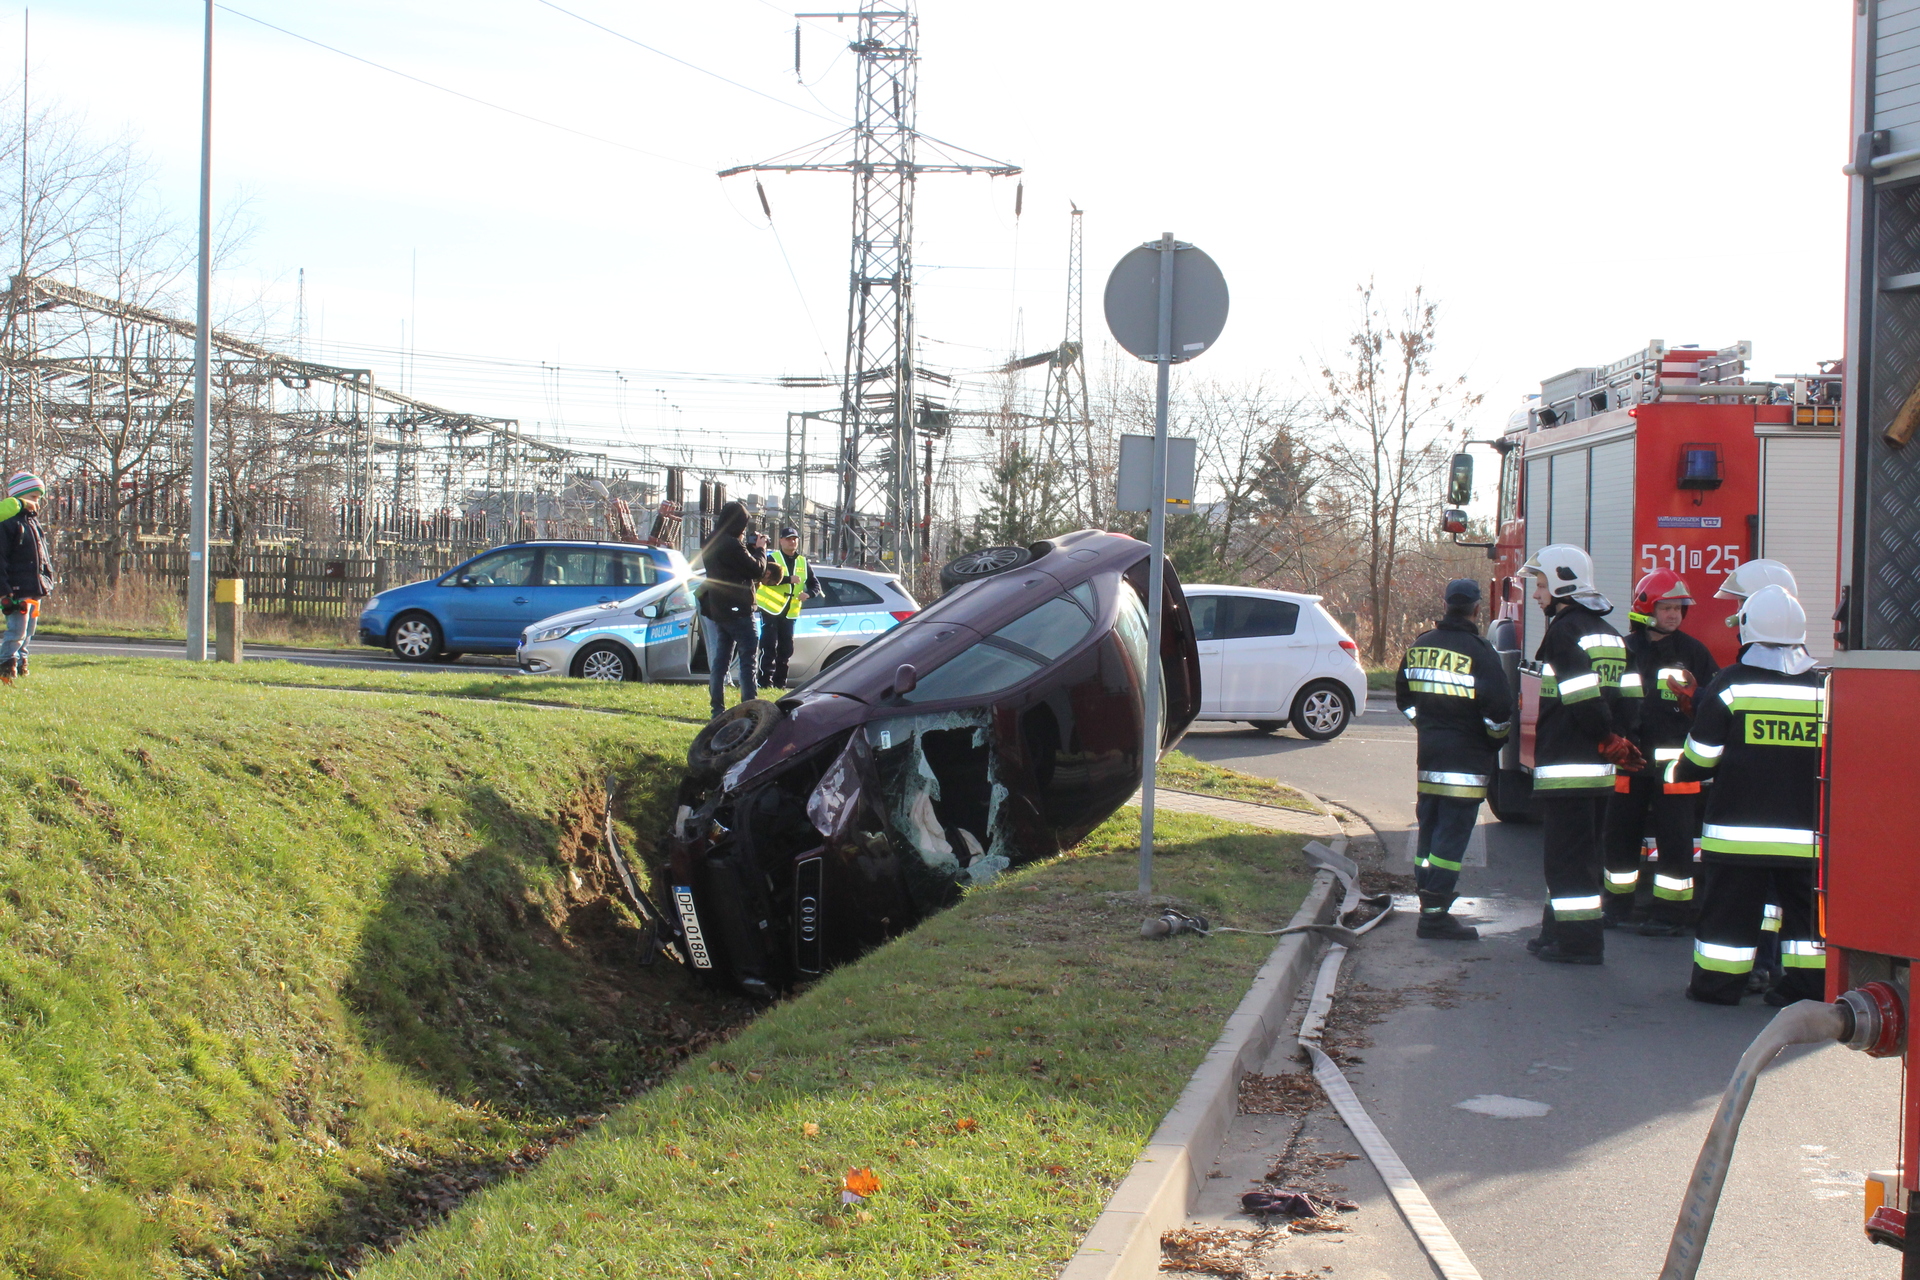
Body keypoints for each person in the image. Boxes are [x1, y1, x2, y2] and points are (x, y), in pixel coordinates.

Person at [1674, 584, 1826, 1006]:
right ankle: (1807, 989)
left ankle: (1717, 987)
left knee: (1729, 916)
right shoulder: (1821, 687)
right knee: (1807, 921)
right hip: (1806, 836)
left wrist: (1679, 771)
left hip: (1738, 836)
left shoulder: (1731, 684)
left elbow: (1701, 758)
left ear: (1748, 629)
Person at [1518, 544, 1643, 965]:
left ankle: (1580, 944)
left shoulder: (1564, 632)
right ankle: (1554, 934)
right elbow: (1631, 696)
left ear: (1561, 584)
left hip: (1567, 768)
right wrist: (1619, 740)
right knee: (1578, 859)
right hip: (1600, 771)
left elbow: (1581, 697)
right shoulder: (1610, 634)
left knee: (1567, 864)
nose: (1537, 595)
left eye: (1540, 585)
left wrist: (1604, 734)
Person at [1601, 570, 1719, 936]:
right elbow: (1606, 701)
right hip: (1629, 761)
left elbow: (1715, 707)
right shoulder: (1624, 650)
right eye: (1666, 608)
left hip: (1677, 768)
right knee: (1619, 837)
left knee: (1677, 840)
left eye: (1678, 609)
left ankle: (1670, 915)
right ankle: (1617, 907)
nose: (1673, 615)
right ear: (1645, 609)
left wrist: (1697, 707)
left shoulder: (1694, 653)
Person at [1394, 578, 1512, 941]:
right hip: (1466, 764)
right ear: (1477, 608)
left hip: (1430, 759)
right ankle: (1435, 916)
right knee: (1451, 838)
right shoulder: (1481, 652)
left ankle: (1426, 906)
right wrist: (1491, 742)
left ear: (1445, 604)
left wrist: (1427, 726)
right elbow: (1499, 713)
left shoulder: (1420, 646)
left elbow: (1404, 698)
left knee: (1429, 834)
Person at [693, 500, 765, 718]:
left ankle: (717, 710)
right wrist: (760, 550)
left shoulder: (711, 540)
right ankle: (749, 708)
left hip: (719, 608)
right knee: (748, 660)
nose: (744, 529)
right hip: (739, 609)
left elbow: (735, 565)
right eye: (743, 524)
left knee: (721, 661)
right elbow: (756, 570)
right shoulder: (732, 544)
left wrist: (748, 549)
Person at [0, 471, 51, 685]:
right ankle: (6, 664)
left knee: (29, 630)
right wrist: (4, 589)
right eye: (32, 497)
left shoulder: (32, 522)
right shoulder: (8, 523)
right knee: (17, 631)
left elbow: (41, 555)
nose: (36, 502)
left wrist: (46, 579)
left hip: (33, 587)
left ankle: (22, 662)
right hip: (15, 588)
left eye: (38, 498)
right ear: (18, 497)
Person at [755, 526, 820, 689]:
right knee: (768, 647)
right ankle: (764, 682)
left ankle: (780, 684)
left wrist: (809, 594)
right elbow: (763, 578)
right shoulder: (772, 558)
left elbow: (815, 585)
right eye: (788, 539)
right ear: (781, 541)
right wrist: (787, 579)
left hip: (790, 612)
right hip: (771, 610)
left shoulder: (803, 561)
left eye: (794, 539)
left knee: (785, 650)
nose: (792, 542)